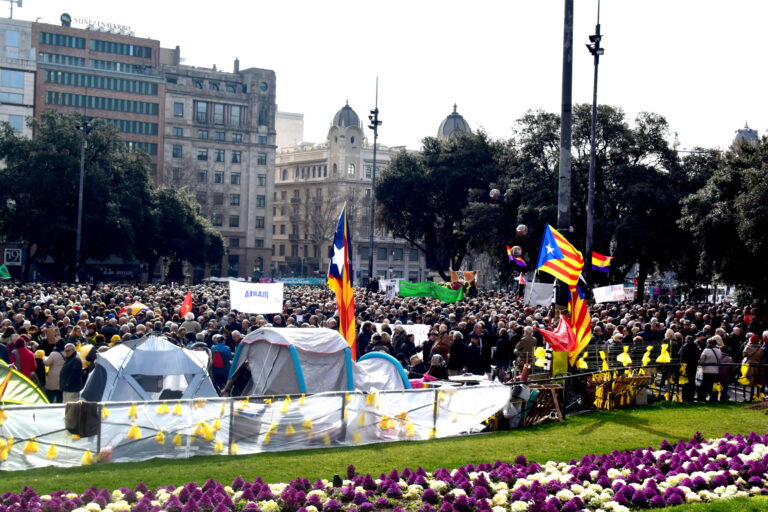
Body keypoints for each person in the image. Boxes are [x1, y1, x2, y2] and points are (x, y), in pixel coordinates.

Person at [697, 337, 722, 402]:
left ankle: (702, 399)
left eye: (707, 343)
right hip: (715, 371)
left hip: (706, 370)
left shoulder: (706, 350)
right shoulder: (719, 350)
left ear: (710, 344)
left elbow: (702, 360)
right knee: (713, 386)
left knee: (704, 386)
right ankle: (713, 399)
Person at [679, 335, 700, 402]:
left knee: (685, 382)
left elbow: (679, 354)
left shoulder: (685, 345)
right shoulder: (695, 346)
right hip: (694, 366)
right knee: (692, 382)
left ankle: (685, 398)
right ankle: (691, 398)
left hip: (686, 366)